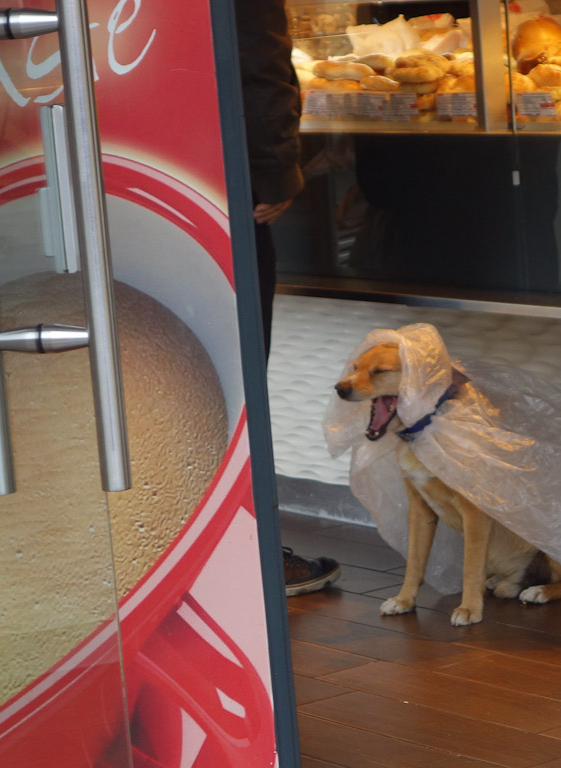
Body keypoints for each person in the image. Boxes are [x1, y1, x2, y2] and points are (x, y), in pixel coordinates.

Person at [234, 0, 341, 596]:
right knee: (236, 374)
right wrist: (276, 171)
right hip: (221, 183)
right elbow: (258, 60)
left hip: (126, 173)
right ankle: (250, 554)